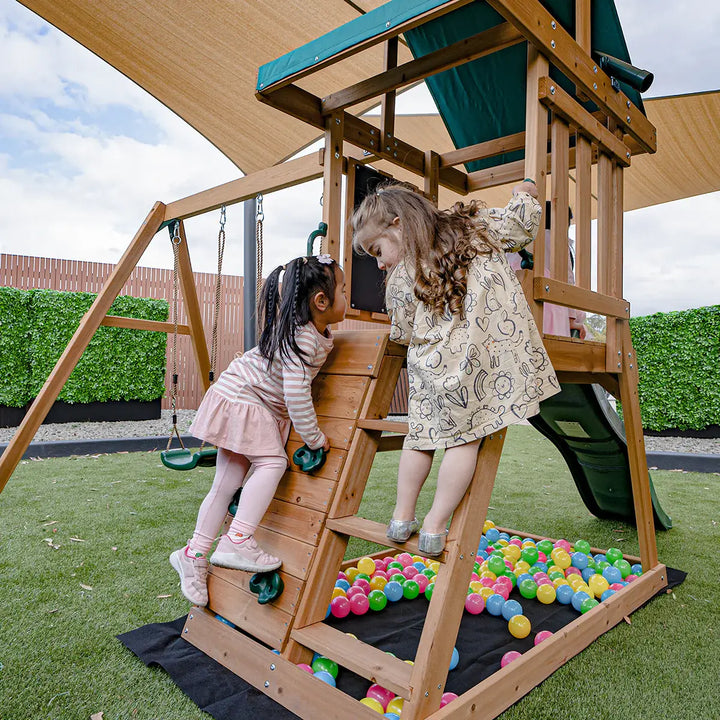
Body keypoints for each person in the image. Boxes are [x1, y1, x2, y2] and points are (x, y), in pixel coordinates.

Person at [351, 180, 559, 556]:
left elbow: (403, 330)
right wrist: (526, 192)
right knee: (465, 441)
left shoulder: (401, 276)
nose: (380, 263)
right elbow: (519, 226)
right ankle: (434, 525)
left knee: (420, 438)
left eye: (377, 251)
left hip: (429, 372)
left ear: (398, 225)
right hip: (479, 365)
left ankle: (401, 517)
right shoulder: (474, 227)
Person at [170, 253, 347, 606]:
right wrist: (314, 437)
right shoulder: (304, 339)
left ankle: (193, 553)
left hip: (235, 394)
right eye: (343, 289)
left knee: (226, 482)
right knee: (272, 464)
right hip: (247, 400)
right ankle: (237, 540)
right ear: (321, 301)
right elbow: (296, 394)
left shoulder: (302, 332)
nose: (347, 296)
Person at [507, 201, 587, 338]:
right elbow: (567, 281)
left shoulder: (520, 242)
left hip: (515, 302)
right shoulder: (558, 241)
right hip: (548, 303)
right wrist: (571, 320)